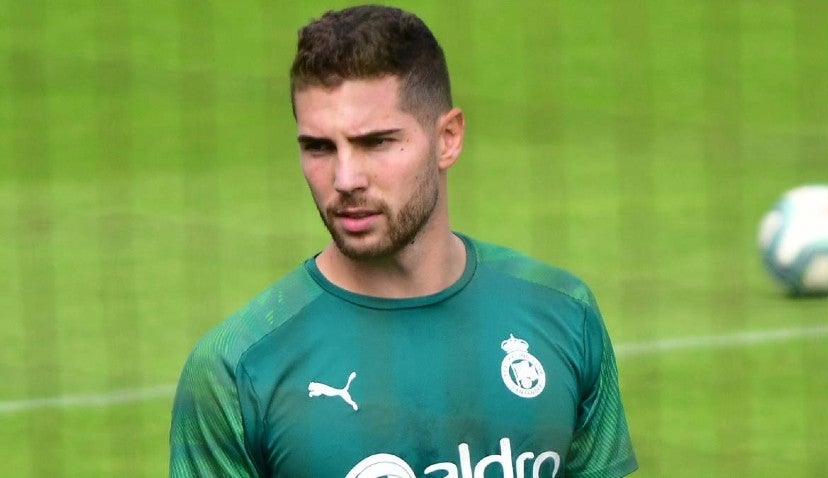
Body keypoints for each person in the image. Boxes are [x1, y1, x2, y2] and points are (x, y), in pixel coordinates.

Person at [169, 5, 638, 477]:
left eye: (376, 142)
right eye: (319, 147)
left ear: (448, 138)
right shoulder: (238, 368)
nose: (345, 179)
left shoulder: (561, 314)